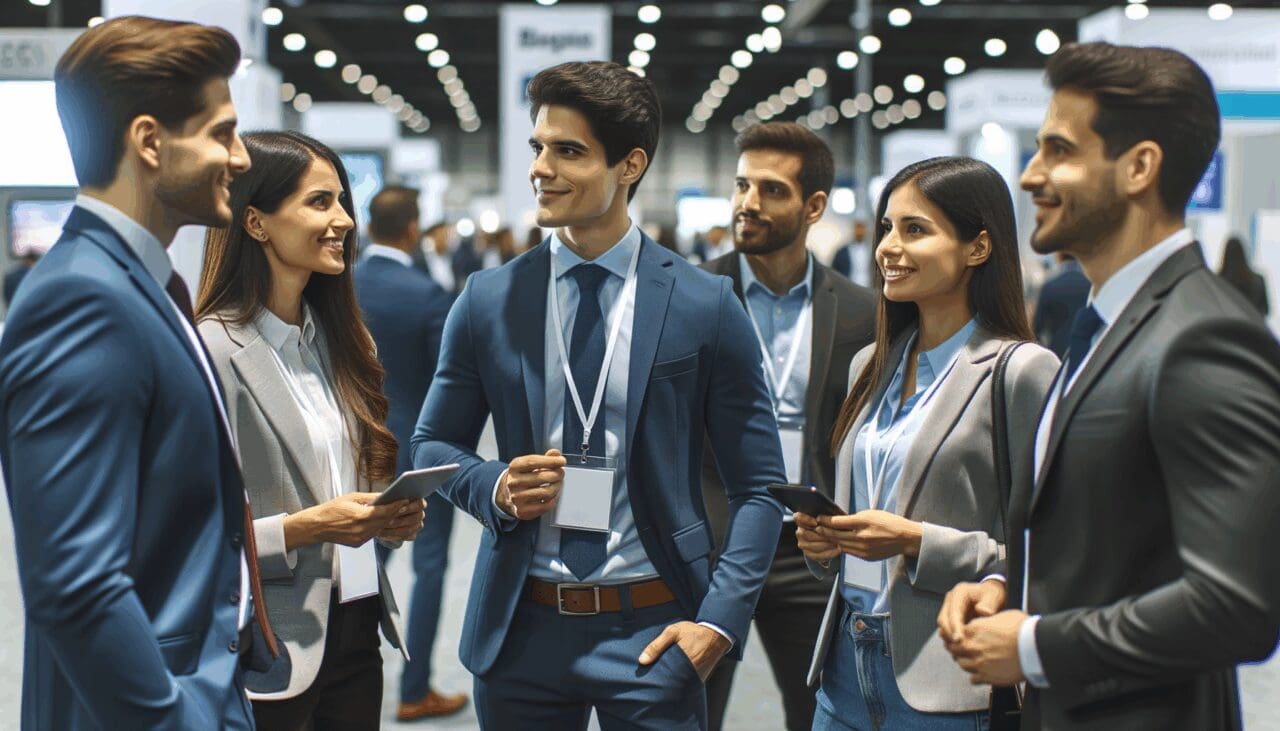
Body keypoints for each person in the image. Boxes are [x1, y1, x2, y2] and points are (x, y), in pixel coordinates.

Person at [412, 60, 786, 730]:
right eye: (538, 147)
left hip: (654, 631)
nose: (541, 168)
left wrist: (719, 624)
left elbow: (759, 487)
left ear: (629, 165)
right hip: (520, 629)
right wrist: (493, 483)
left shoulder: (704, 303)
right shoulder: (488, 299)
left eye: (569, 151)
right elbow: (432, 443)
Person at [940, 42, 1280, 730]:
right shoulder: (1102, 322)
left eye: (1059, 151)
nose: (1031, 175)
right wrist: (1011, 588)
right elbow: (1116, 536)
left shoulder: (1202, 337)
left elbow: (1237, 607)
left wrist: (1036, 644)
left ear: (1139, 167)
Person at [0, 16, 263, 729]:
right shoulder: (83, 298)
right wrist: (173, 719)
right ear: (150, 141)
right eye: (221, 132)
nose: (239, 158)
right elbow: (75, 583)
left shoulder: (137, 285)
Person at [797, 156, 1059, 730]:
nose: (888, 246)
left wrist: (917, 542)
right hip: (842, 669)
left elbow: (1048, 556)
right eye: (887, 227)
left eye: (915, 229)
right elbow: (862, 525)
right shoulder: (871, 364)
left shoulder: (1020, 372)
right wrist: (828, 546)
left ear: (978, 247)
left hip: (945, 680)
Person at [196, 130, 427, 729]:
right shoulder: (211, 351)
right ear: (256, 222)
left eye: (343, 202)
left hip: (357, 623)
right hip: (267, 646)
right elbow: (191, 537)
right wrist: (304, 529)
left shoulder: (344, 341)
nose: (344, 220)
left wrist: (386, 516)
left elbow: (353, 479)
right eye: (320, 202)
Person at [699, 122, 876, 731]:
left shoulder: (861, 313)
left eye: (771, 189)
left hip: (809, 548)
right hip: (710, 544)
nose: (747, 202)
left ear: (814, 206)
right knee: (686, 712)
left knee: (821, 712)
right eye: (742, 184)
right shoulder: (689, 296)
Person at [354, 185, 464, 720]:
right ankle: (414, 690)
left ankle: (344, 676)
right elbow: (449, 387)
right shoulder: (426, 294)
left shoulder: (334, 285)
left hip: (350, 448)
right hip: (418, 454)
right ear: (413, 229)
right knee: (430, 565)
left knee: (354, 561)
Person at [1032, 253, 1090, 358]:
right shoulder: (1090, 283)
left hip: (1058, 354)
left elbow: (1037, 328)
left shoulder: (1050, 286)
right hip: (1088, 351)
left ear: (1059, 257)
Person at [1218, 235, 1269, 316]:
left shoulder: (1218, 281)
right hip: (1251, 326)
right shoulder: (1258, 280)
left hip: (1227, 326)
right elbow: (1266, 310)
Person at [415, 221, 458, 296]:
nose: (449, 239)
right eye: (445, 235)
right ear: (432, 236)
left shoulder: (450, 257)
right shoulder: (419, 258)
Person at [831, 221, 874, 287]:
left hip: (867, 288)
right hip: (847, 287)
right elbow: (834, 271)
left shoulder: (871, 251)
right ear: (853, 230)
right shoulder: (842, 251)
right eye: (858, 228)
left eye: (862, 228)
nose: (860, 231)